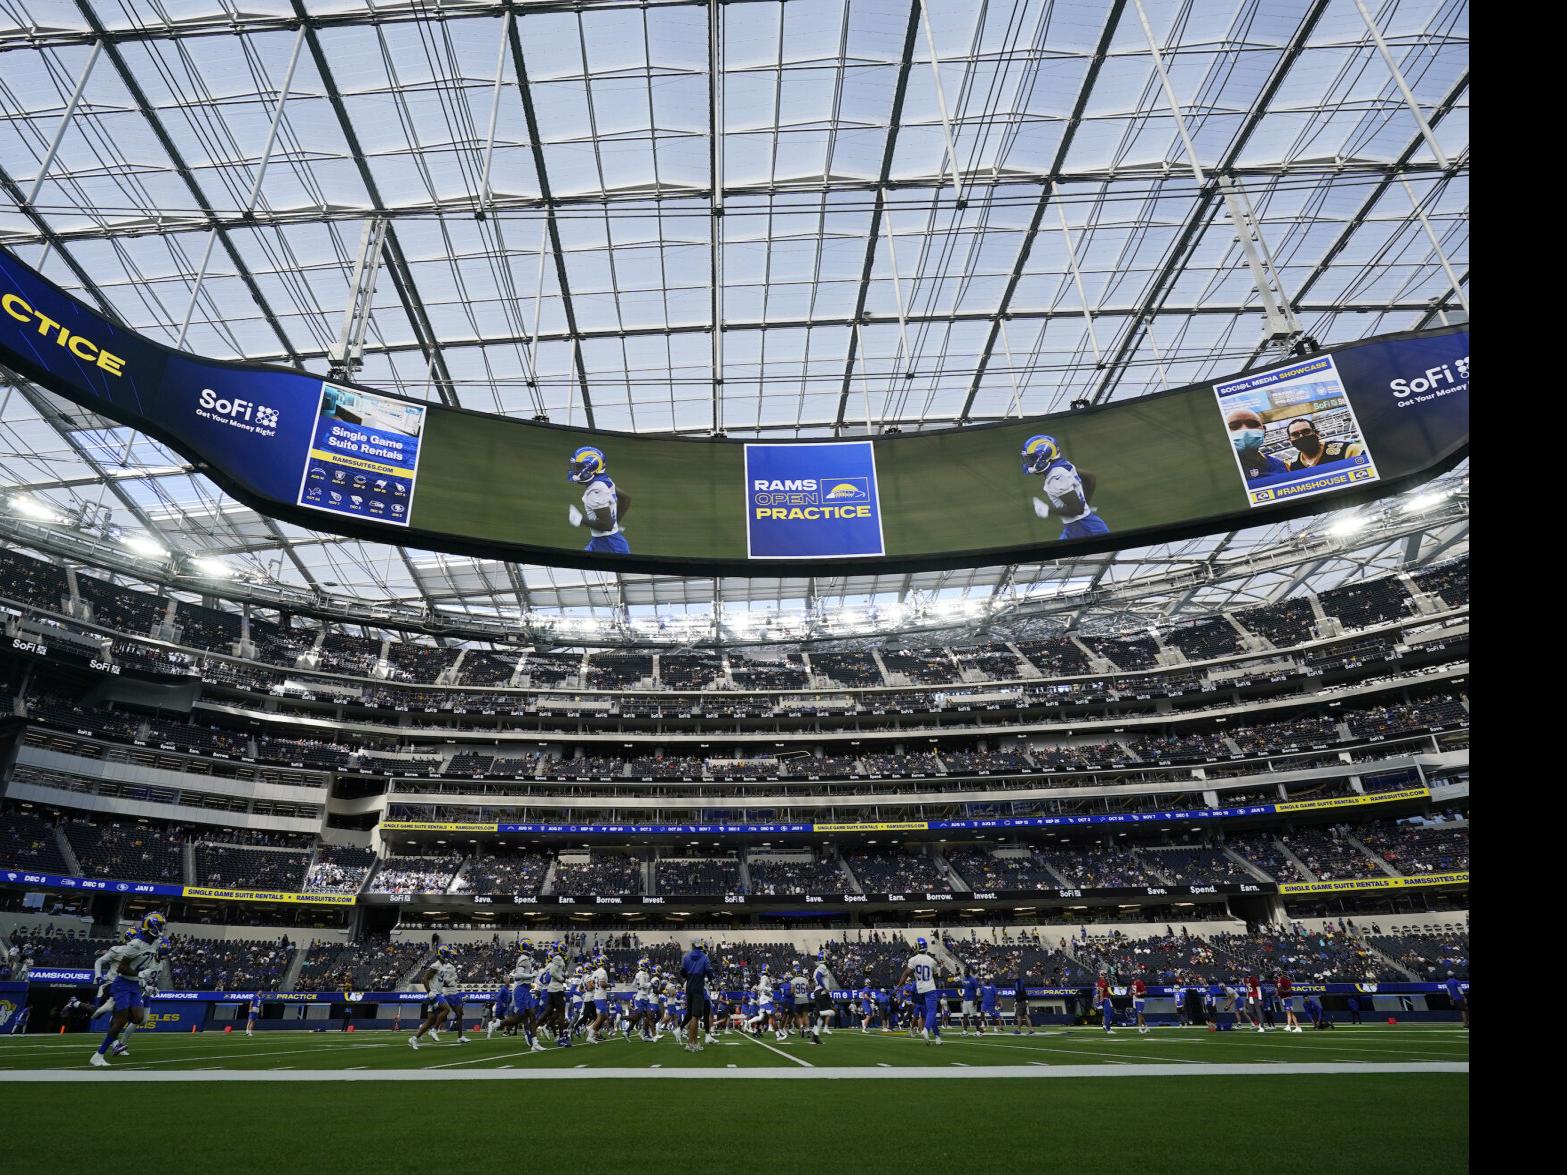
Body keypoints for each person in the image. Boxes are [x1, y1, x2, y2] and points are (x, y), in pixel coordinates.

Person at [88, 912, 165, 1067]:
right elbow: (122, 968)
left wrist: (147, 978)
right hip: (122, 983)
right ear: (151, 926)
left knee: (139, 1018)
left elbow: (155, 957)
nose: (162, 928)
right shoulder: (136, 944)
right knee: (120, 1021)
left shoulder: (155, 942)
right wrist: (139, 973)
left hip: (135, 985)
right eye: (160, 924)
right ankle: (98, 1055)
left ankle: (112, 1005)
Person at [1020, 434, 1109, 539]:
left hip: (1083, 529)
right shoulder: (1061, 464)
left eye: (1031, 459)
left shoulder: (1055, 477)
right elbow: (1090, 478)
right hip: (1084, 525)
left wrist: (1047, 510)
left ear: (1043, 457)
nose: (1029, 463)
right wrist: (1085, 504)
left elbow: (1077, 510)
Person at [566, 445, 631, 554]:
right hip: (605, 541)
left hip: (608, 545)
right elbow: (625, 499)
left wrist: (580, 520)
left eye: (578, 467)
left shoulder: (595, 490)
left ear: (590, 468)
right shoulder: (603, 480)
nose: (575, 471)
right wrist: (614, 523)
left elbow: (607, 525)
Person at [408, 943, 462, 1050]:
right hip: (434, 994)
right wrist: (429, 992)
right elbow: (424, 979)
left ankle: (414, 1038)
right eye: (446, 953)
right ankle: (434, 1030)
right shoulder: (436, 965)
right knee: (446, 1009)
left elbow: (440, 982)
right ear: (441, 954)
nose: (447, 955)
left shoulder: (442, 966)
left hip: (437, 993)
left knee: (431, 1020)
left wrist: (450, 983)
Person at [895, 937, 943, 1046]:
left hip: (919, 989)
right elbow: (936, 976)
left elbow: (906, 973)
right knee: (931, 1012)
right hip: (930, 989)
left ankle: (937, 1037)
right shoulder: (932, 961)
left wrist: (899, 985)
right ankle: (926, 1030)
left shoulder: (913, 959)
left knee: (929, 1014)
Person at [1225, 407, 1289, 481]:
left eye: (1253, 424)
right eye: (1234, 426)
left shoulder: (1282, 466)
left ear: (1264, 430)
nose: (1245, 430)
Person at [1281, 416, 1364, 473]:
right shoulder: (1290, 466)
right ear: (1290, 440)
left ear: (1317, 433)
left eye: (1306, 431)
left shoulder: (1348, 450)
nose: (1301, 436)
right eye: (1295, 435)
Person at [678, 938, 712, 1052]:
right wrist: (710, 978)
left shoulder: (686, 956)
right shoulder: (704, 957)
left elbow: (682, 971)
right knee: (695, 1016)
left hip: (689, 987)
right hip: (698, 987)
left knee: (692, 1014)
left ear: (692, 945)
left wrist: (688, 977)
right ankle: (691, 1043)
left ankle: (692, 1042)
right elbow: (709, 971)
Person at [1012, 963, 1034, 1035]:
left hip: (1021, 1001)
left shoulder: (1018, 982)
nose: (1013, 976)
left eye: (1014, 975)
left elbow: (1019, 992)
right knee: (1026, 1016)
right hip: (1023, 1001)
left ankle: (1018, 1030)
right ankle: (1031, 1029)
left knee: (1019, 1016)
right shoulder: (1019, 982)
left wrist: (1015, 970)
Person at [959, 968, 979, 1035]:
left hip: (971, 1000)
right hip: (965, 1000)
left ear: (969, 972)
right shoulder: (964, 979)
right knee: (965, 1015)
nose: (964, 973)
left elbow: (978, 991)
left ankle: (978, 1031)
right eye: (964, 972)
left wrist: (976, 1000)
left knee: (974, 1016)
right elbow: (965, 989)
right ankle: (965, 1031)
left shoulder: (973, 980)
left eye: (966, 972)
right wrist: (963, 997)